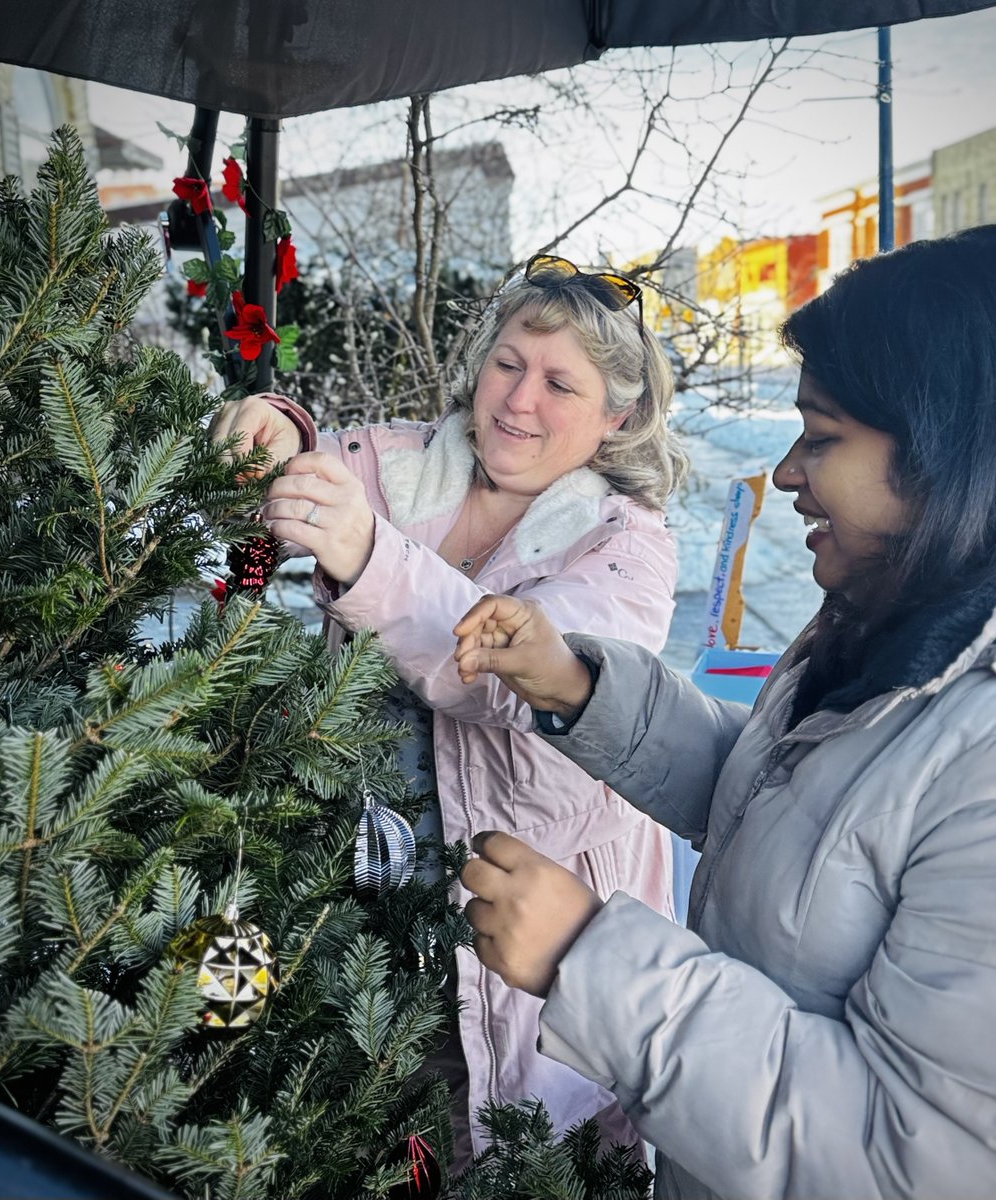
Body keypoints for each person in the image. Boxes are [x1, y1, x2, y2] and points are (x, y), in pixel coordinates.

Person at [454, 225, 996, 1198]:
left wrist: (590, 962)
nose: (785, 475)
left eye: (822, 438)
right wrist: (584, 690)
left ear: (957, 451)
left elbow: (927, 1167)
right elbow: (807, 814)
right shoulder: (913, 626)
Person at [210, 254, 688, 1163]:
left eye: (559, 385)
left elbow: (508, 675)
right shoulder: (399, 467)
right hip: (355, 916)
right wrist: (271, 430)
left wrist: (366, 554)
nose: (518, 400)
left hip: (513, 950)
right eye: (508, 363)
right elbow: (283, 482)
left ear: (617, 417)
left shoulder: (626, 551)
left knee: (500, 1149)